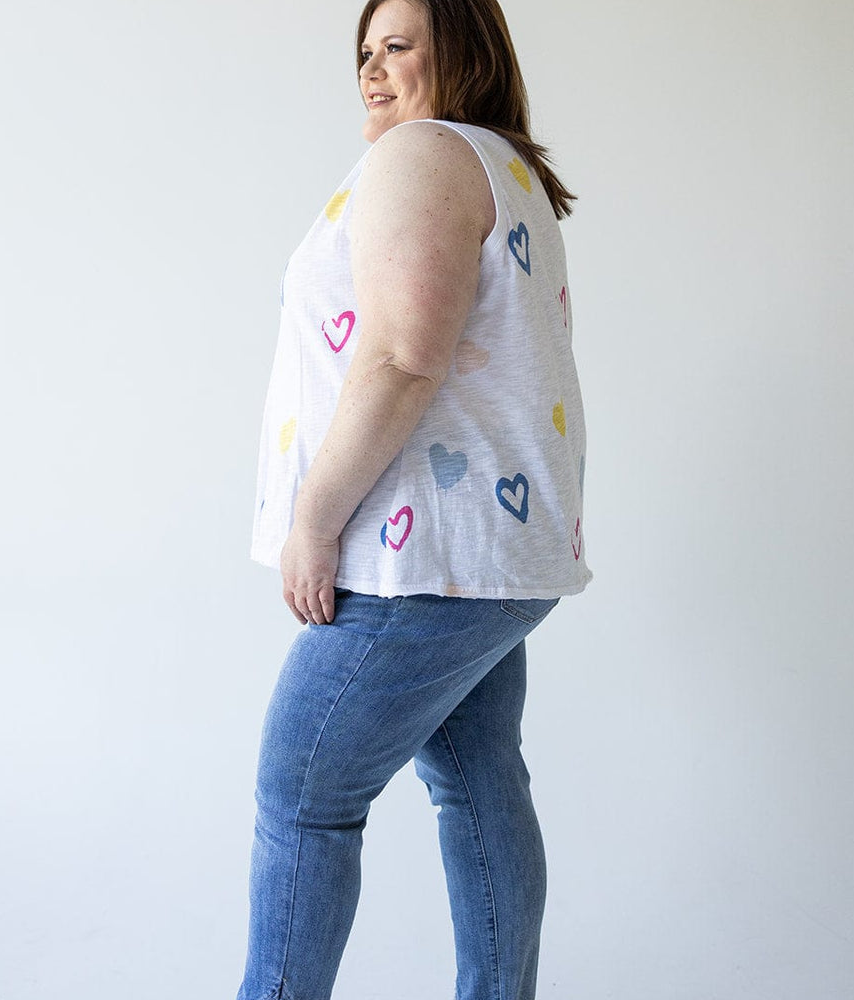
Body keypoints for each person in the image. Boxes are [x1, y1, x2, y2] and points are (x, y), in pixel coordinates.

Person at [240, 0, 591, 996]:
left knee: (301, 796)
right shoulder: (503, 167)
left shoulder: (424, 154)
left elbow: (399, 358)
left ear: (466, 53)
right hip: (488, 556)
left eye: (398, 46)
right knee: (479, 789)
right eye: (363, 51)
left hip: (416, 560)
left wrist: (313, 519)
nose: (372, 69)